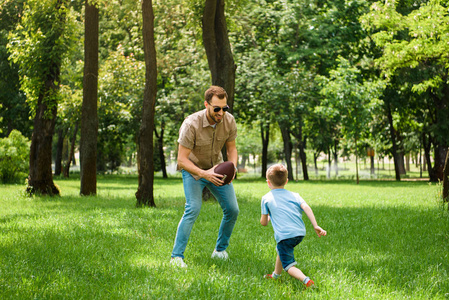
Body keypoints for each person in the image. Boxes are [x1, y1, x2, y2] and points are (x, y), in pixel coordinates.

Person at [170, 85, 239, 268]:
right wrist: (203, 174)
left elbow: (231, 149)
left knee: (232, 210)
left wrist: (232, 167)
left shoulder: (229, 121)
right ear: (206, 104)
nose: (221, 112)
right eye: (217, 108)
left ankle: (220, 251)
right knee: (193, 208)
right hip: (193, 170)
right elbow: (182, 160)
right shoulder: (191, 124)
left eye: (224, 108)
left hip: (217, 169)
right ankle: (176, 257)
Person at [260, 164, 327, 288]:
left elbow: (263, 223)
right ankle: (275, 275)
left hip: (285, 235)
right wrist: (315, 225)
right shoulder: (295, 195)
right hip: (300, 233)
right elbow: (306, 207)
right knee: (280, 250)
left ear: (268, 182)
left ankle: (306, 281)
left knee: (289, 266)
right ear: (286, 181)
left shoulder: (266, 198)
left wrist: (268, 217)